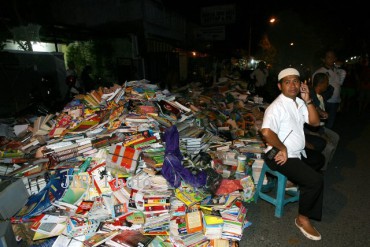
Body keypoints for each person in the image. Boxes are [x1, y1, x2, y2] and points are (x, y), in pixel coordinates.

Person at [261, 68, 324, 241]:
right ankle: (302, 218)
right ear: (280, 86)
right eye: (287, 82)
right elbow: (266, 132)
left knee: (319, 159)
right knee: (315, 180)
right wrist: (283, 149)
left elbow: (315, 122)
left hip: (296, 153)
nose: (292, 85)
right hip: (277, 154)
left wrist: (308, 100)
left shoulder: (299, 102)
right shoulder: (276, 107)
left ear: (301, 84)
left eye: (295, 81)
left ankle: (295, 180)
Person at [306, 72, 340, 170]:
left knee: (336, 137)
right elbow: (311, 105)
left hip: (320, 127)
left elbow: (331, 90)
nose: (328, 84)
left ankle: (326, 161)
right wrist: (322, 134)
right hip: (311, 129)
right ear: (321, 84)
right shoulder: (310, 96)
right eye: (327, 82)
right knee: (328, 145)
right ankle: (321, 168)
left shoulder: (321, 95)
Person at [313, 50, 346, 129]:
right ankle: (323, 138)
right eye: (328, 57)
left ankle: (327, 138)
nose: (331, 59)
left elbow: (340, 83)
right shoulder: (320, 71)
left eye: (333, 57)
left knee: (330, 124)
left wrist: (338, 68)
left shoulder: (336, 71)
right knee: (322, 123)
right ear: (324, 59)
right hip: (325, 101)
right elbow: (315, 88)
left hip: (335, 101)